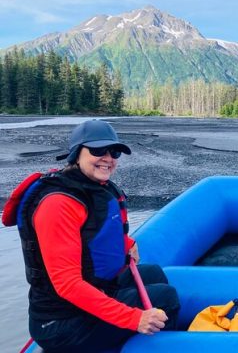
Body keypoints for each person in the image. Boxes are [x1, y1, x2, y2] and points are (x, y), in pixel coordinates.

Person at [2, 120, 180, 352]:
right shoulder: (58, 204)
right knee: (166, 298)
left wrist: (127, 243)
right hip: (62, 322)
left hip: (96, 288)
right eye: (97, 150)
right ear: (76, 153)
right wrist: (134, 318)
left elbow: (95, 233)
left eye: (113, 152)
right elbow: (68, 285)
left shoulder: (90, 186)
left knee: (153, 273)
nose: (108, 158)